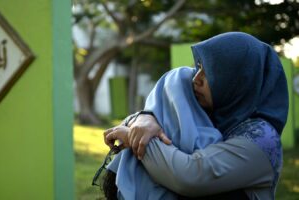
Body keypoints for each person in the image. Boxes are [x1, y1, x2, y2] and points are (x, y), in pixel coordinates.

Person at [100, 32, 289, 199]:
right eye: (198, 67)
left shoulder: (262, 139)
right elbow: (166, 104)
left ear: (238, 83)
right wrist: (143, 118)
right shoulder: (214, 114)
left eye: (209, 74)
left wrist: (135, 138)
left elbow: (189, 176)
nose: (196, 79)